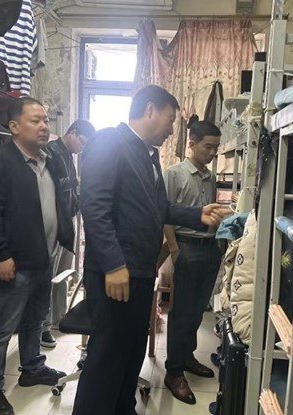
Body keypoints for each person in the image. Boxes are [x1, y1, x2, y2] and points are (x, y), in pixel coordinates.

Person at [72, 85, 230, 415]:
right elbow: (94, 207)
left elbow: (159, 208)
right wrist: (113, 265)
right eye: (170, 119)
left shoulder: (148, 155)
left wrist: (196, 215)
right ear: (149, 110)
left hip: (141, 272)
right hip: (116, 273)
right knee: (107, 356)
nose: (172, 129)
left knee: (131, 351)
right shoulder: (110, 141)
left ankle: (122, 409)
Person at [0, 97, 74, 415]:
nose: (44, 126)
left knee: (36, 319)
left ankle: (32, 367)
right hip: (15, 262)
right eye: (35, 120)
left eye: (46, 120)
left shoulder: (51, 160)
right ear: (14, 126)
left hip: (45, 256)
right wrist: (0, 256)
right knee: (1, 327)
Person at [163, 118, 223, 404]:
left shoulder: (211, 177)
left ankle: (186, 356)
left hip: (210, 248)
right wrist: (175, 250)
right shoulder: (174, 175)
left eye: (216, 148)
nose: (212, 153)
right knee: (182, 312)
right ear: (192, 143)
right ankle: (173, 372)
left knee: (198, 309)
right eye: (208, 147)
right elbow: (164, 215)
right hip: (186, 247)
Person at [40, 119, 95, 348]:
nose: (82, 148)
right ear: (72, 132)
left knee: (61, 274)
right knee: (48, 277)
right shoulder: (51, 153)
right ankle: (43, 327)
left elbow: (70, 189)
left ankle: (57, 318)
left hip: (66, 221)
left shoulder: (68, 156)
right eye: (82, 141)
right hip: (55, 222)